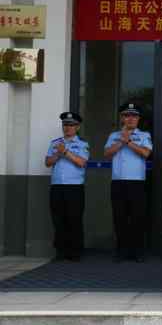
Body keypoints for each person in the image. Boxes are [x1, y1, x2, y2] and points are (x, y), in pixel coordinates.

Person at [104, 102, 153, 263]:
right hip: (118, 183)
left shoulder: (144, 135)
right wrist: (121, 141)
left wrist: (129, 142)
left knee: (137, 218)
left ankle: (137, 252)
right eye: (127, 115)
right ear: (122, 118)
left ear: (138, 119)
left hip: (137, 183)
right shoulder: (113, 135)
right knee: (119, 218)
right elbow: (107, 153)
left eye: (134, 116)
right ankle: (121, 251)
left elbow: (146, 153)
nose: (130, 119)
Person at [45, 112, 90, 261]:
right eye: (65, 125)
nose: (67, 128)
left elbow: (81, 162)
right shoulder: (55, 143)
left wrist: (65, 152)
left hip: (74, 188)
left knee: (74, 219)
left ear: (77, 127)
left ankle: (75, 252)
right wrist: (58, 154)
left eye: (71, 125)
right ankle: (60, 252)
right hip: (57, 187)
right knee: (58, 220)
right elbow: (48, 162)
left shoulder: (82, 144)